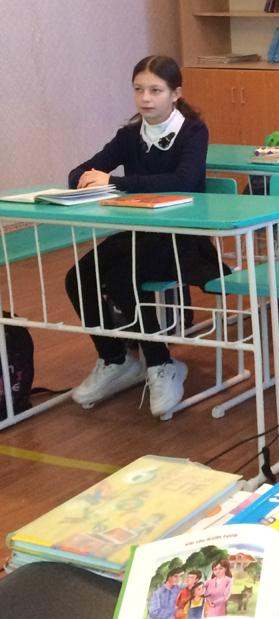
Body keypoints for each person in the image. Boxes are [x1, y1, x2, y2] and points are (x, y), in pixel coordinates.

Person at [64, 56, 224, 418]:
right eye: (139, 90)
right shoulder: (130, 135)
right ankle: (115, 358)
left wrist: (115, 182)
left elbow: (183, 181)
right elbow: (81, 171)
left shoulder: (192, 132)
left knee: (124, 277)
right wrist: (85, 179)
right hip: (140, 235)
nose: (146, 98)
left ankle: (160, 363)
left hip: (182, 238)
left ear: (176, 93)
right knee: (77, 277)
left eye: (155, 90)